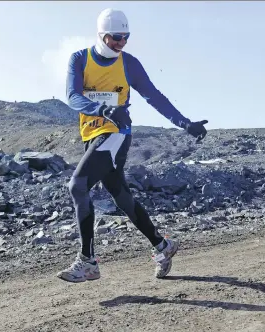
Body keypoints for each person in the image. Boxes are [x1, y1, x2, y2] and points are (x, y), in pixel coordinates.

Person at [56, 8, 209, 282]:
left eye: (126, 37)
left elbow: (154, 96)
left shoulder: (129, 63)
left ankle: (88, 261)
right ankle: (163, 246)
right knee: (121, 197)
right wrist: (103, 109)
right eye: (116, 37)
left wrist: (185, 123)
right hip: (93, 134)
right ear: (102, 35)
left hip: (116, 134)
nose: (121, 43)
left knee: (77, 185)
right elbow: (72, 97)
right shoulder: (80, 59)